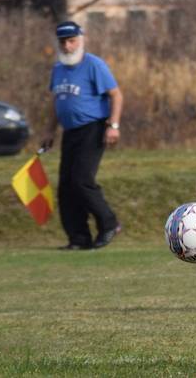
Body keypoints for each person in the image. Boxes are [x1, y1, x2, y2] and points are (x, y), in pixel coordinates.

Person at [41, 21, 123, 250]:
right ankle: (78, 238)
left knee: (82, 180)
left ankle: (110, 223)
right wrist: (49, 130)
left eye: (71, 41)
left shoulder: (93, 65)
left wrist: (113, 125)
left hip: (93, 128)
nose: (67, 46)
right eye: (63, 42)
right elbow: (56, 102)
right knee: (66, 186)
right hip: (70, 132)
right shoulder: (58, 69)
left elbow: (116, 95)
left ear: (80, 39)